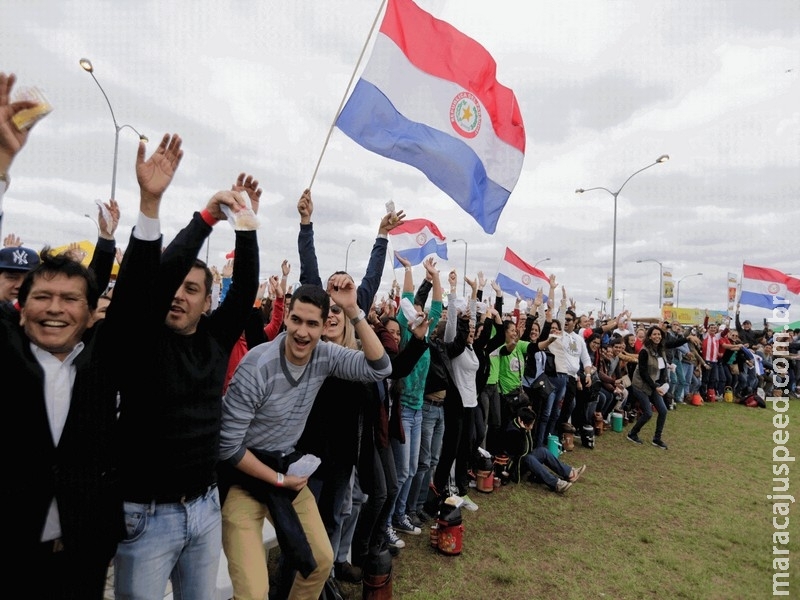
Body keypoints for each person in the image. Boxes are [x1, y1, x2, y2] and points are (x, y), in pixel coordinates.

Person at [111, 134, 261, 600]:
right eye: (175, 286)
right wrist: (203, 219)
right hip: (145, 516)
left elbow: (244, 291)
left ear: (205, 301)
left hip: (204, 508)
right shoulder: (142, 338)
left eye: (193, 289)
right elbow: (151, 281)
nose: (179, 294)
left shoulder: (215, 340)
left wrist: (247, 226)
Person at [218, 278, 392, 600]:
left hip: (284, 471)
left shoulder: (325, 356)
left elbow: (380, 367)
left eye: (313, 324)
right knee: (254, 592)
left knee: (321, 561)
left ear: (325, 325)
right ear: (286, 317)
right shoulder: (257, 366)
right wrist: (279, 479)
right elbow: (227, 446)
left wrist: (354, 310)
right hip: (244, 478)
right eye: (296, 319)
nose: (302, 331)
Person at [6, 246, 124, 599]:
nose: (55, 308)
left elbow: (143, 293)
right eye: (42, 296)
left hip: (82, 553)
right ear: (21, 310)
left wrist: (150, 207)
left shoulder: (98, 369)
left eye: (69, 300)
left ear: (91, 316)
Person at [626, 325, 699, 449]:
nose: (657, 336)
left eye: (659, 334)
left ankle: (657, 438)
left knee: (663, 411)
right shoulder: (644, 351)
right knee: (648, 413)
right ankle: (632, 434)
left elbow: (675, 343)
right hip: (641, 385)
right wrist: (655, 387)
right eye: (654, 334)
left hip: (655, 385)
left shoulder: (661, 347)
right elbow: (643, 373)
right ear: (649, 336)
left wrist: (688, 338)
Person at [502, 407, 586, 493]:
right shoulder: (512, 432)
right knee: (528, 458)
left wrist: (525, 430)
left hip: (522, 459)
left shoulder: (521, 426)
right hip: (513, 467)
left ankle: (569, 473)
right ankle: (556, 484)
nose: (532, 427)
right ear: (523, 422)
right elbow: (521, 451)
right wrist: (524, 431)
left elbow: (531, 445)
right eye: (531, 424)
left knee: (542, 451)